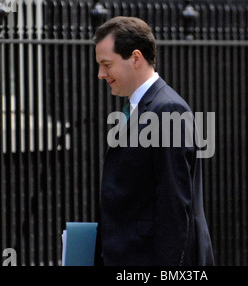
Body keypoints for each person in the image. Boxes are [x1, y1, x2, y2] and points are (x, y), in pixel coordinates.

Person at [93, 16, 214, 266]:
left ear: (136, 58)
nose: (100, 74)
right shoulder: (138, 108)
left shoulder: (167, 109)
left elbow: (174, 204)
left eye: (106, 64)